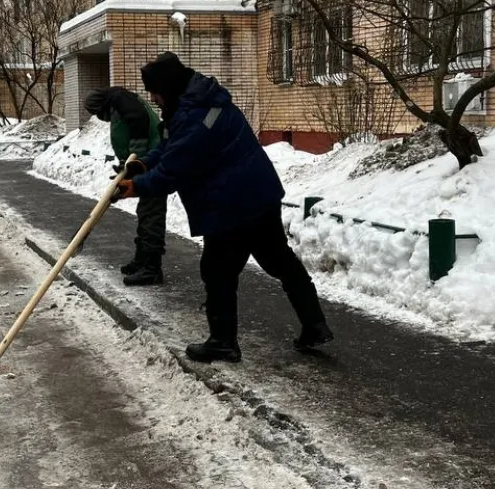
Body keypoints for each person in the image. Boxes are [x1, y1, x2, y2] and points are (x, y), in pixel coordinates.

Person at [114, 52, 334, 363]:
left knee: (218, 271)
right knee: (278, 260)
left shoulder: (195, 116)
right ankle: (314, 324)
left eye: (155, 91)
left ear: (169, 87)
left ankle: (223, 341)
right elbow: (170, 145)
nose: (153, 98)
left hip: (231, 203)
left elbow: (176, 168)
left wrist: (136, 187)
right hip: (258, 194)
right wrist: (145, 164)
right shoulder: (197, 101)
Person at [84, 86, 167, 286]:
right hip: (145, 164)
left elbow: (139, 122)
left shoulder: (120, 100)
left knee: (151, 214)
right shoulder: (120, 103)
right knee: (145, 212)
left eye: (96, 113)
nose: (100, 118)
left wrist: (135, 156)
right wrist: (126, 166)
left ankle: (151, 268)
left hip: (153, 164)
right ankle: (142, 260)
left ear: (100, 106)